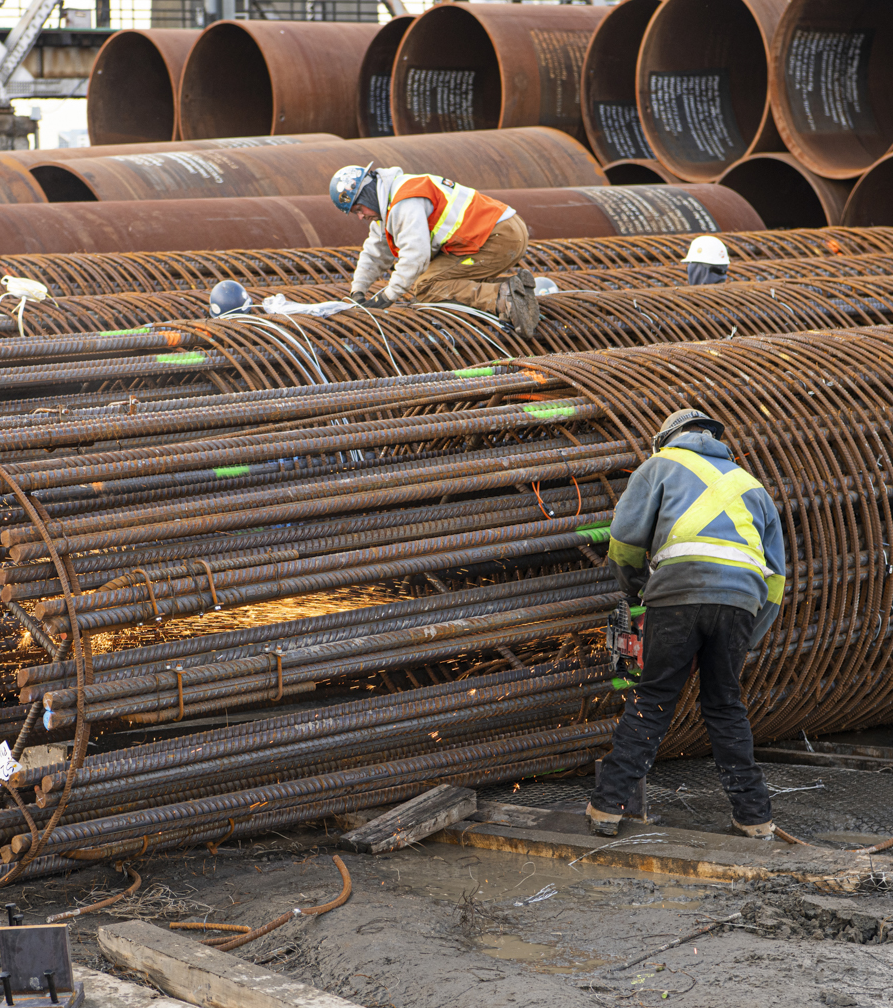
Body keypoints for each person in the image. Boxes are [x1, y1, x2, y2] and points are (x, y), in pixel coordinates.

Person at [588, 406, 787, 840]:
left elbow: (623, 542)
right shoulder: (752, 486)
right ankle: (755, 818)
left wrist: (638, 592)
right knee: (725, 706)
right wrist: (742, 637)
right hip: (740, 606)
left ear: (667, 439)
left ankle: (607, 808)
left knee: (654, 699)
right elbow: (775, 582)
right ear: (716, 438)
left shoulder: (657, 466)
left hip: (675, 596)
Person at [331, 162, 541, 335]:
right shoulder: (391, 200)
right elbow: (375, 251)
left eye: (359, 209)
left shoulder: (404, 201)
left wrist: (388, 296)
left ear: (367, 193)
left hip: (495, 238)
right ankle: (515, 289)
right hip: (502, 230)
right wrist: (357, 290)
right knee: (444, 279)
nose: (360, 216)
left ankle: (503, 298)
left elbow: (416, 256)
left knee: (425, 286)